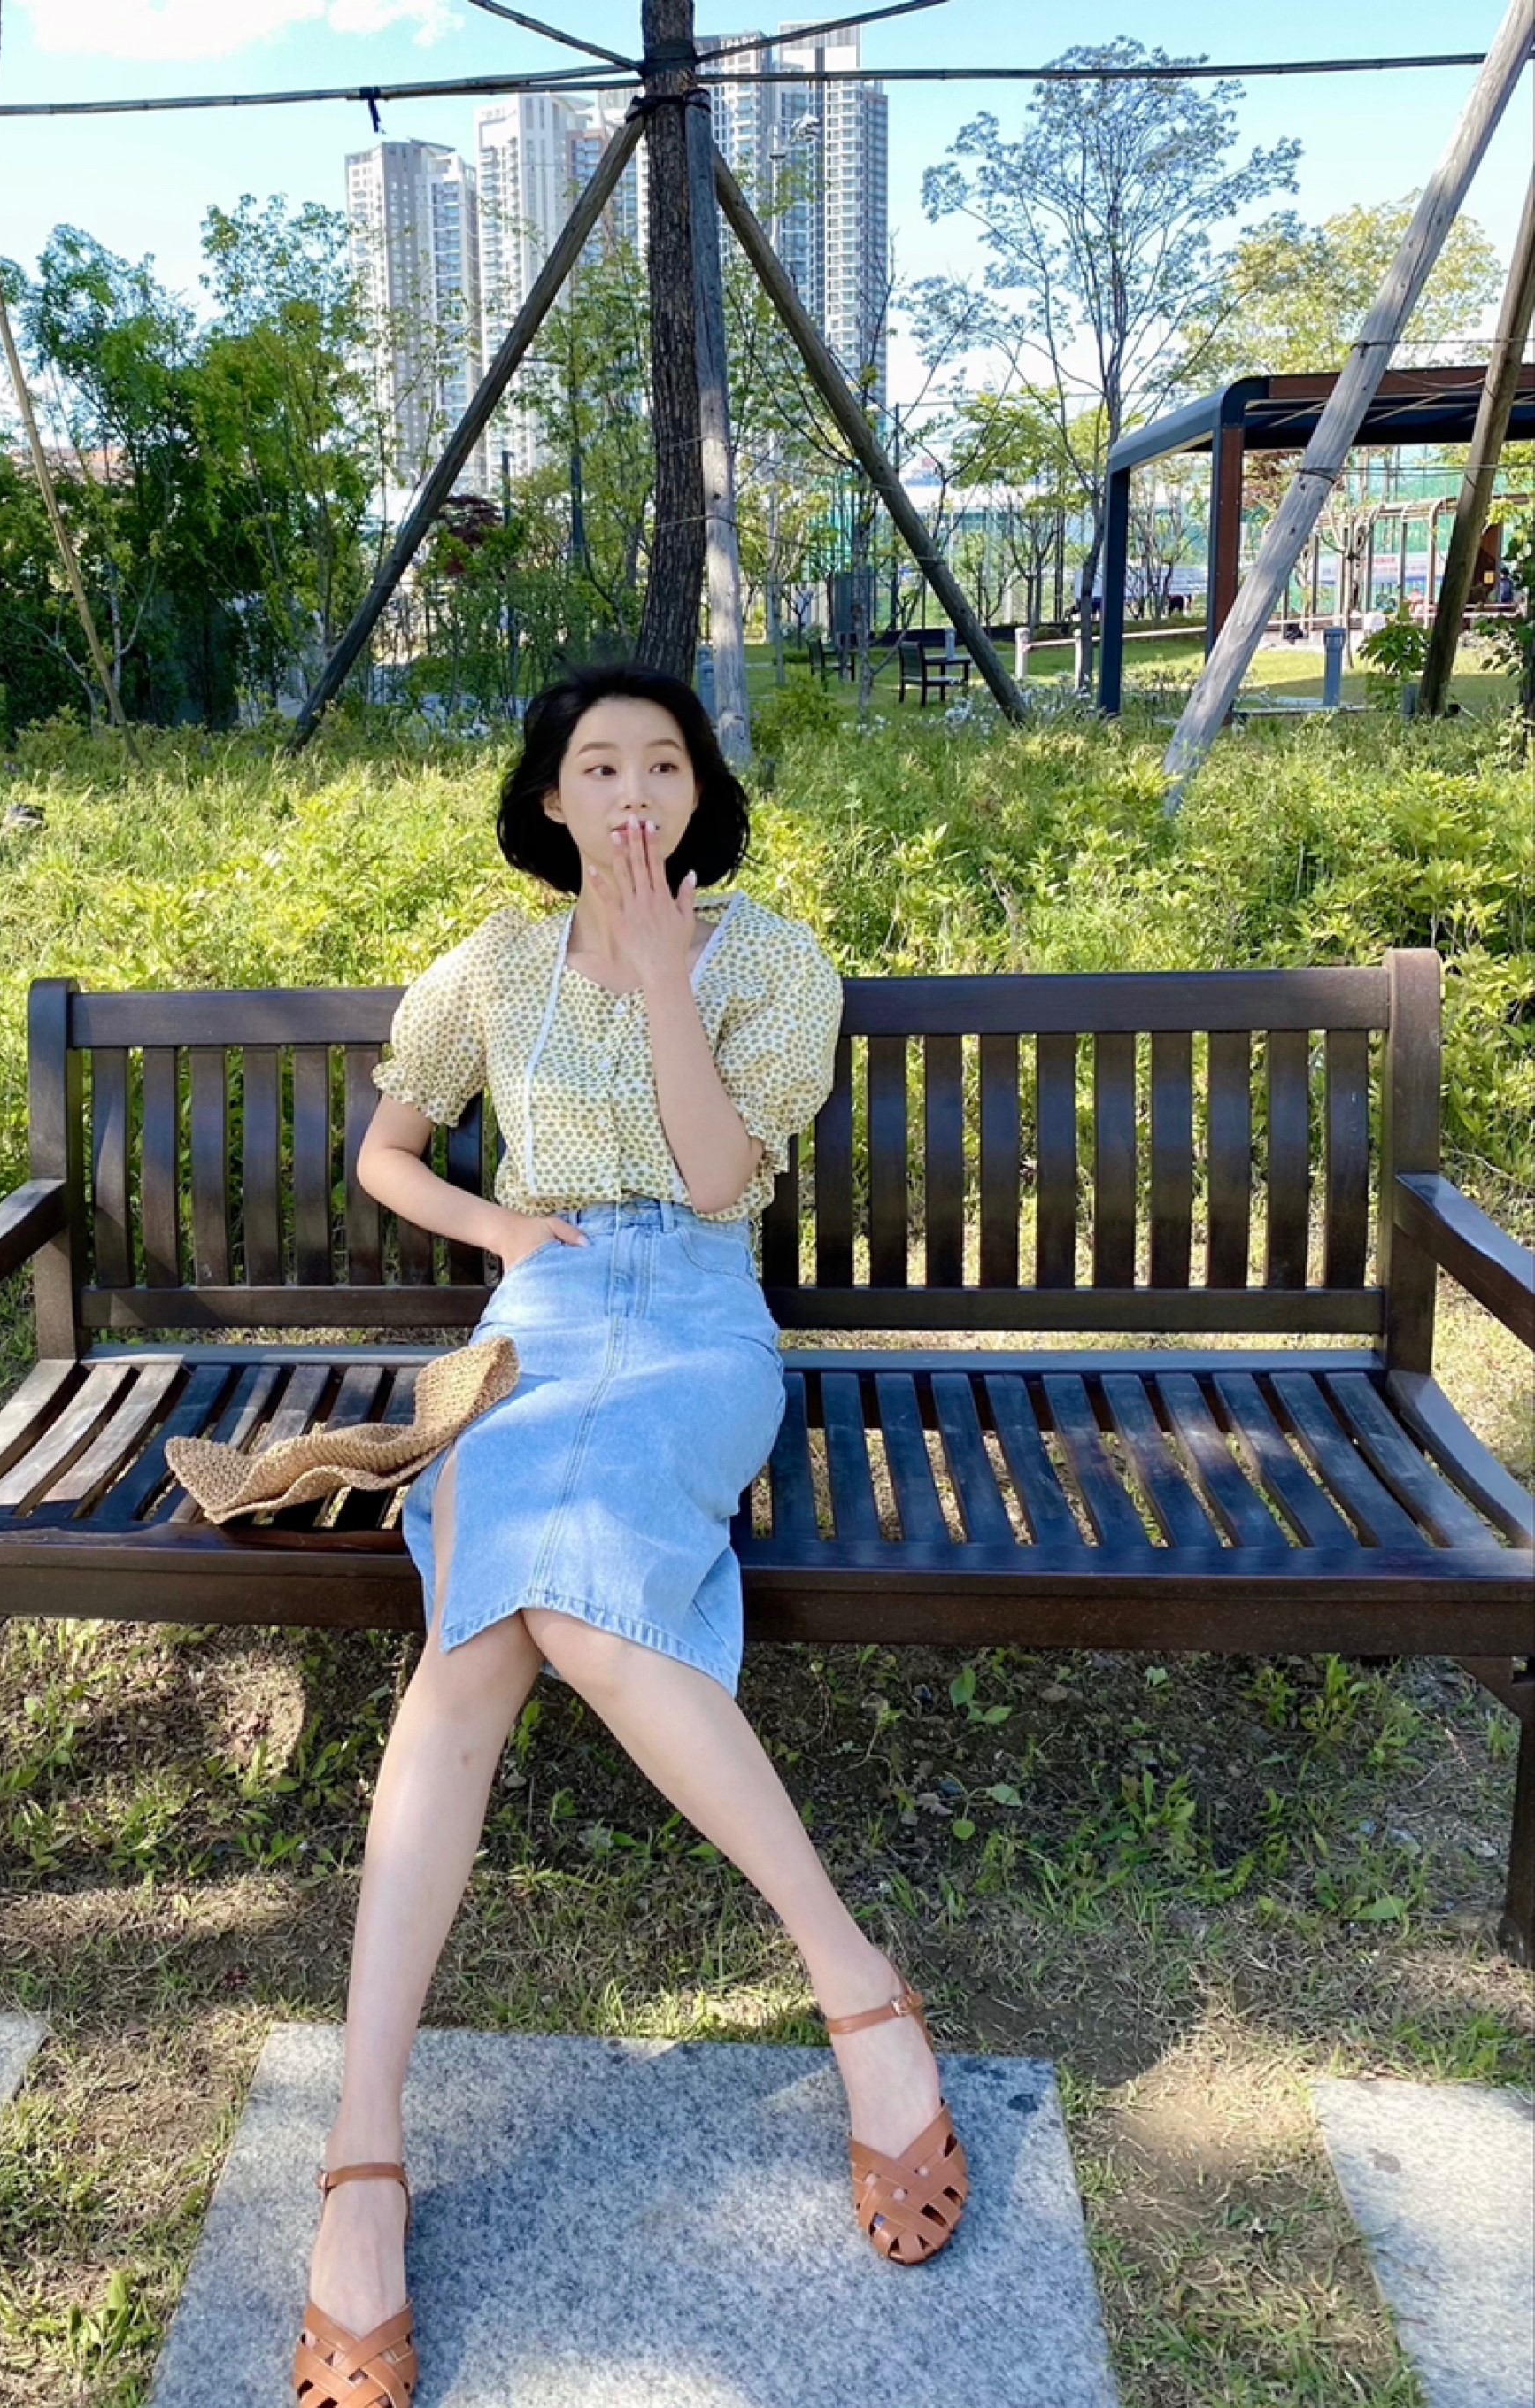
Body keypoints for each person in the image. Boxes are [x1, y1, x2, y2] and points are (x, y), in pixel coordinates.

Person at [292, 662, 968, 2408]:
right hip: (539, 1317)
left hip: (697, 1320)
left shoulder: (771, 960)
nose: (632, 792)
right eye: (598, 767)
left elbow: (724, 1178)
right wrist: (502, 1229)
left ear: (698, 790)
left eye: (662, 763)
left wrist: (667, 979)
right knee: (480, 1640)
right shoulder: (489, 967)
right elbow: (387, 1152)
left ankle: (845, 1986)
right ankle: (366, 2145)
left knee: (543, 1607)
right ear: (551, 798)